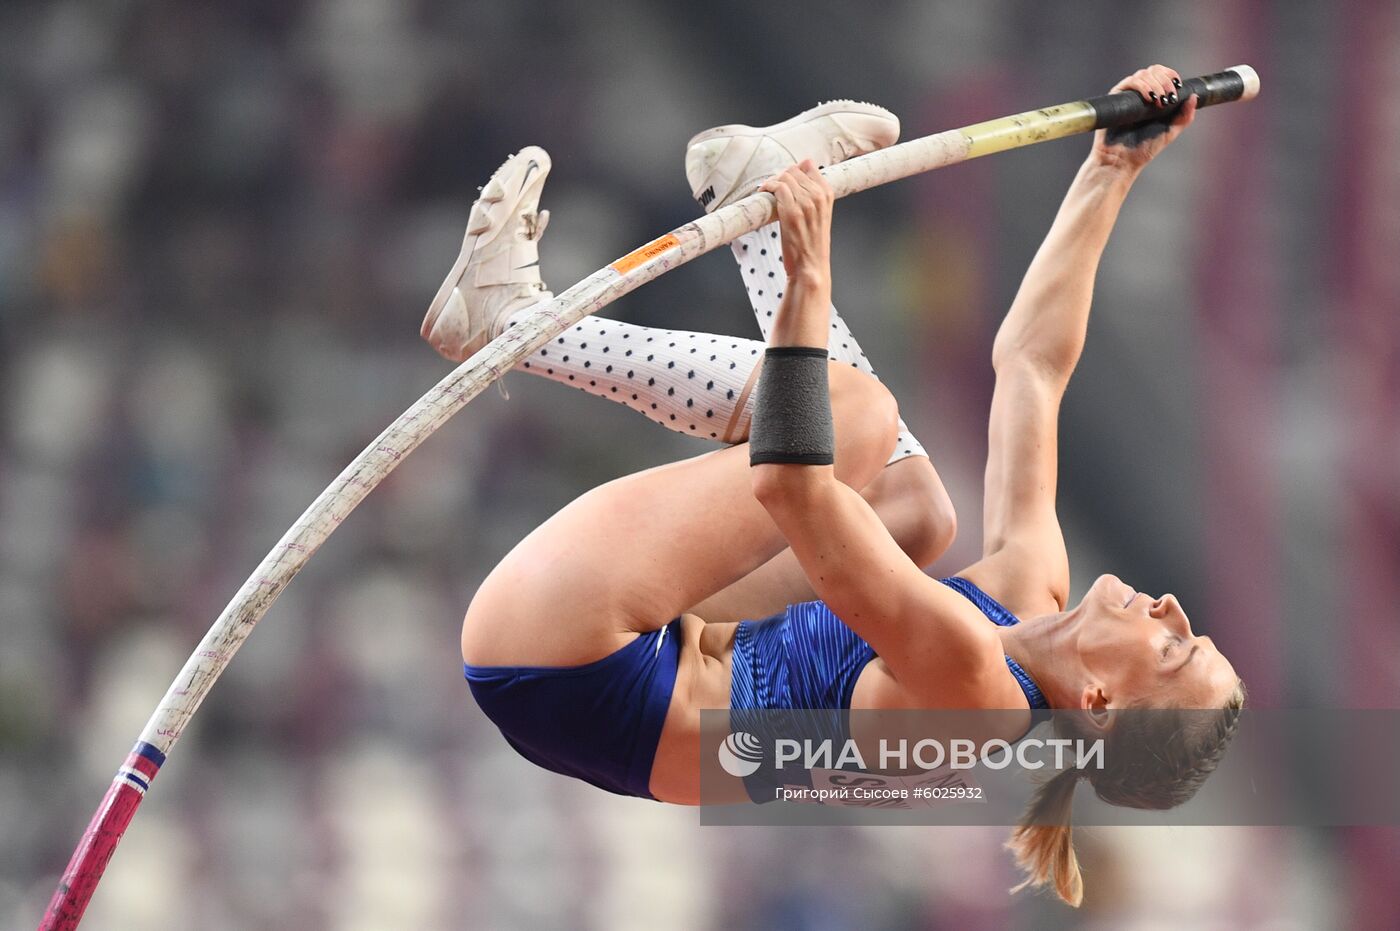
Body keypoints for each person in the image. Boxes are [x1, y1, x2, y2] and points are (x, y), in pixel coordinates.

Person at [423, 66, 1244, 907]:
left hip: (572, 662)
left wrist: (804, 274)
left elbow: (791, 487)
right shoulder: (1027, 595)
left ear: (1100, 700)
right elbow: (1032, 368)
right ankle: (753, 185)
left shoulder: (972, 693)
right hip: (637, 658)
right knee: (918, 510)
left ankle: (519, 326)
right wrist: (1113, 167)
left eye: (1176, 649)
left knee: (854, 418)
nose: (1175, 609)